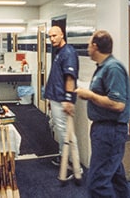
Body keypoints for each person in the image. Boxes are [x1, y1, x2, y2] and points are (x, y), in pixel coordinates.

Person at [75, 30, 130, 198]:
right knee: (115, 177)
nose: (87, 48)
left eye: (88, 45)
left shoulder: (113, 68)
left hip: (110, 131)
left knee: (97, 182)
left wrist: (90, 95)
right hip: (103, 129)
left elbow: (118, 104)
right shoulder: (103, 67)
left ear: (95, 46)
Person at [43, 26, 80, 170]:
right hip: (56, 98)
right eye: (50, 36)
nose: (52, 39)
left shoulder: (68, 52)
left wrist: (68, 99)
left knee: (66, 131)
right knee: (61, 130)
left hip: (62, 99)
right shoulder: (60, 52)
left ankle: (75, 166)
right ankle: (63, 157)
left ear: (62, 35)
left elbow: (70, 77)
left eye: (54, 35)